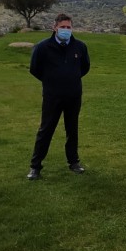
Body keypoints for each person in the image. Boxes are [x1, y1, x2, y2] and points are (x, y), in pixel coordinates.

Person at [27, 13, 91, 180]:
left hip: (73, 95)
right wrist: (51, 81)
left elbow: (84, 68)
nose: (65, 30)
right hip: (52, 96)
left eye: (68, 27)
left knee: (72, 129)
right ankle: (35, 167)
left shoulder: (80, 47)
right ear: (54, 27)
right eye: (62, 27)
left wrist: (70, 78)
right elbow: (35, 69)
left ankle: (74, 162)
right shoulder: (42, 47)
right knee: (46, 129)